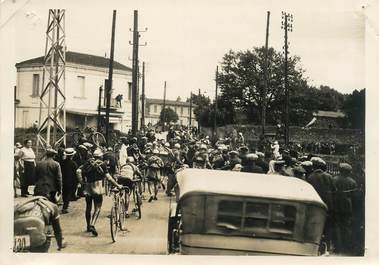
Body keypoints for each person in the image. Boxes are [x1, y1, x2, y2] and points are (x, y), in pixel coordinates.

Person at [76, 149, 122, 236]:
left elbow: (78, 171)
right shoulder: (103, 164)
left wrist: (82, 182)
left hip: (87, 188)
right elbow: (109, 178)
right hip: (98, 188)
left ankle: (88, 226)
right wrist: (117, 185)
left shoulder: (87, 163)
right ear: (101, 156)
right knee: (98, 207)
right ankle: (93, 224)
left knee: (88, 207)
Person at [332, 163, 357, 254]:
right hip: (347, 207)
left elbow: (332, 193)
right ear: (348, 172)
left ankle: (337, 247)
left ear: (340, 170)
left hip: (336, 205)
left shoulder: (334, 179)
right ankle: (346, 247)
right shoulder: (352, 182)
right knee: (346, 227)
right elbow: (354, 197)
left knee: (336, 226)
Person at [61, 148, 78, 214]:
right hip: (71, 181)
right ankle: (65, 207)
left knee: (64, 193)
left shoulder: (62, 162)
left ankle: (65, 205)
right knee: (68, 193)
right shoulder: (73, 163)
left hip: (63, 180)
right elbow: (75, 173)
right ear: (72, 155)